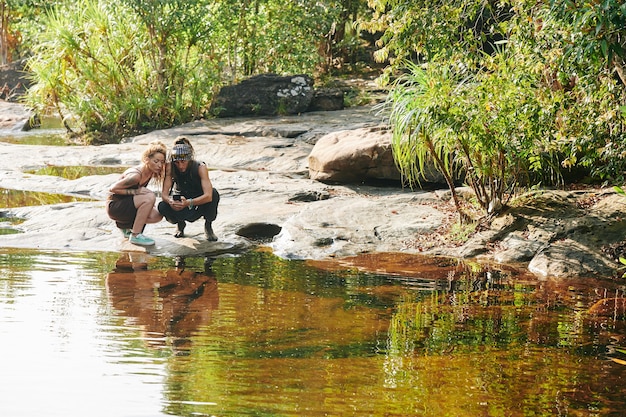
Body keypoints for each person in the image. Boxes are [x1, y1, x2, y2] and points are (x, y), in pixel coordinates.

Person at [158, 136, 220, 241]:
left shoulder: (200, 167)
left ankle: (208, 226)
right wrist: (171, 201)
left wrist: (188, 202)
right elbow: (164, 194)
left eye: (183, 162)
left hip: (198, 203)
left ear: (189, 159)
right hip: (180, 201)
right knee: (162, 206)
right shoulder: (170, 167)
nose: (180, 166)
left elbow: (208, 196)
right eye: (177, 162)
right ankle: (180, 225)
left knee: (214, 194)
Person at [106, 140, 166, 246]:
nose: (159, 165)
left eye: (162, 162)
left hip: (125, 205)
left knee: (156, 215)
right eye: (156, 161)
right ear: (147, 159)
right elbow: (112, 189)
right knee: (149, 197)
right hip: (114, 206)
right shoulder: (135, 175)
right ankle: (135, 235)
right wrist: (136, 191)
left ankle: (126, 228)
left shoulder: (150, 173)